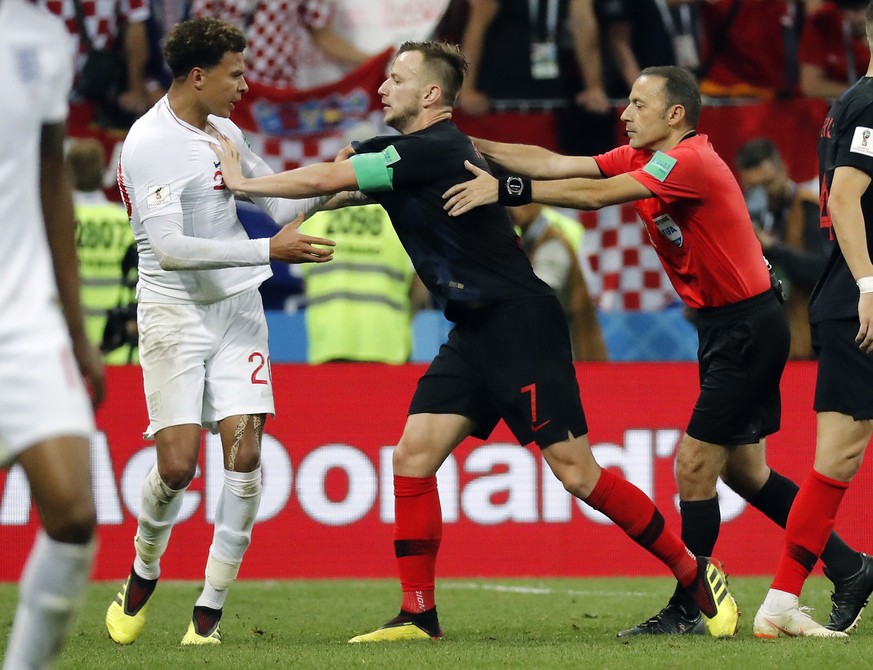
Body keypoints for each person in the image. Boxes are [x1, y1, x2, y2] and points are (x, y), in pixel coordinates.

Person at [212, 40, 740, 642]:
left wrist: (243, 183)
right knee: (413, 458)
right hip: (472, 329)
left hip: (519, 324)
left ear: (430, 94)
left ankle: (694, 573)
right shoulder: (416, 156)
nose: (382, 89)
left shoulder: (431, 148)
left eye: (395, 79)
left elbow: (335, 174)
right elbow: (347, 185)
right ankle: (418, 615)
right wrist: (294, 208)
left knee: (577, 473)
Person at [441, 64, 873, 637]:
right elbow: (558, 162)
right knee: (746, 472)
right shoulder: (647, 158)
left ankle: (692, 607)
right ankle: (850, 567)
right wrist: (470, 145)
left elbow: (595, 196)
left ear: (675, 115)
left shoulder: (689, 161)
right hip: (724, 327)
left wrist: (505, 189)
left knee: (693, 465)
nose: (624, 113)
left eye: (638, 105)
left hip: (748, 327)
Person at [104, 17, 336, 647]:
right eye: (236, 73)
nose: (245, 84)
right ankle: (143, 569)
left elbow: (283, 206)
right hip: (174, 311)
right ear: (198, 76)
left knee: (246, 454)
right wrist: (268, 253)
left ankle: (209, 609)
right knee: (177, 468)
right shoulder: (151, 141)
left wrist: (349, 180)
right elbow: (171, 248)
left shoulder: (224, 133)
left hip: (236, 311)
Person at [753, 1, 873, 639]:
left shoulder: (850, 102)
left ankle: (784, 598)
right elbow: (848, 196)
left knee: (836, 463)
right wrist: (870, 284)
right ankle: (780, 600)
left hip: (841, 298)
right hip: (859, 302)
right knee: (837, 460)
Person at [0, 2, 105, 668]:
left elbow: (50, 180)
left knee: (72, 514)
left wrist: (76, 329)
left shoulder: (41, 37)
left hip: (23, 317)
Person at [735, 138, 833, 360]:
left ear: (783, 168)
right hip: (766, 334)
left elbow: (821, 271)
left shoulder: (807, 206)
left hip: (808, 334)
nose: (764, 193)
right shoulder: (748, 217)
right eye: (754, 188)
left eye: (768, 183)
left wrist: (772, 248)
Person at [301, 203, 430, 364]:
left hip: (329, 341)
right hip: (387, 341)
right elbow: (421, 287)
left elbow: (306, 281)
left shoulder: (313, 213)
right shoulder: (402, 212)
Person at [66, 137, 140, 364]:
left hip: (70, 347)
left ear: (67, 174)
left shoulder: (57, 224)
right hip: (119, 348)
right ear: (102, 174)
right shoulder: (126, 222)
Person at [190, 0, 371, 89]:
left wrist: (373, 61)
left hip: (279, 89)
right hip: (228, 83)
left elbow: (321, 33)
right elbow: (200, 30)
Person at [509, 202, 607, 361]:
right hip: (550, 346)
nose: (511, 208)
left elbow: (539, 293)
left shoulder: (551, 242)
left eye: (519, 202)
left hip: (562, 350)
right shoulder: (530, 239)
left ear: (536, 203)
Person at [799, 0, 870, 100]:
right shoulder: (822, 22)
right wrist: (859, 93)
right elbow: (810, 86)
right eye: (853, 10)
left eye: (866, 8)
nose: (860, 18)